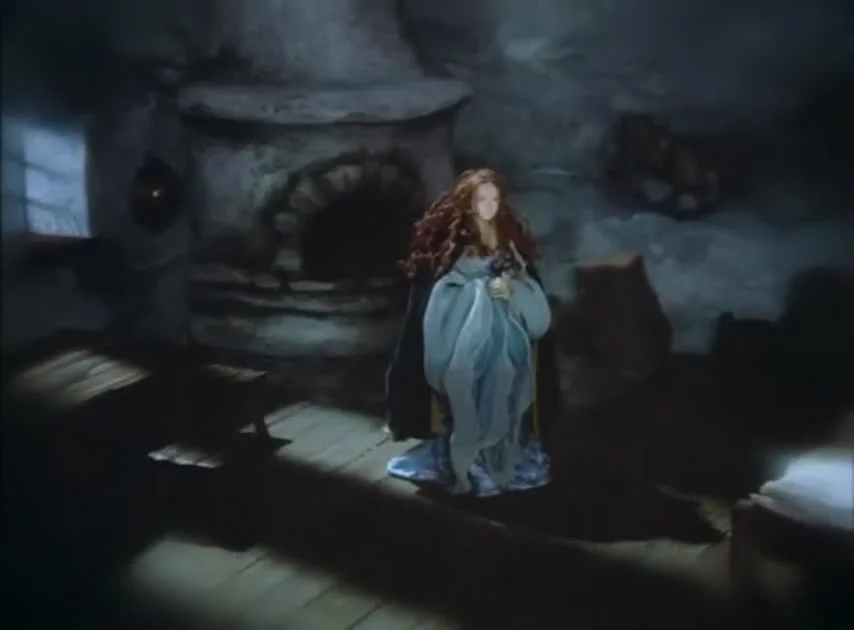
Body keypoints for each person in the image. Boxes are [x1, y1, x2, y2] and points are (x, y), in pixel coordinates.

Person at [385, 168, 562, 496]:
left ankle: (501, 456)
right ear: (468, 203)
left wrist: (511, 288)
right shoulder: (452, 246)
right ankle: (470, 462)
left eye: (495, 199)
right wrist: (480, 290)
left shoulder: (508, 241)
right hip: (460, 334)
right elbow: (443, 292)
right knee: (465, 385)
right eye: (482, 200)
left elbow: (525, 284)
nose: (489, 206)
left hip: (506, 334)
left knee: (506, 387)